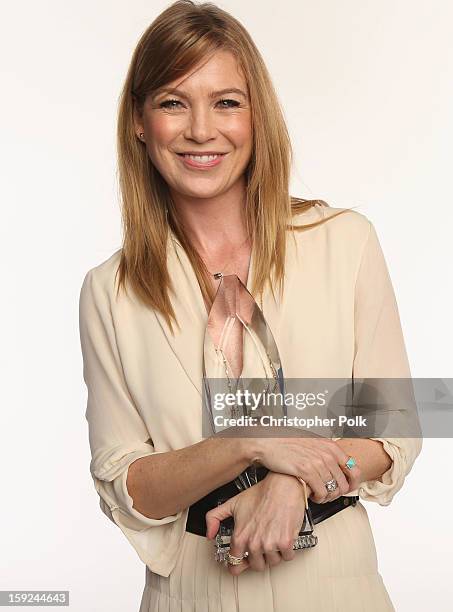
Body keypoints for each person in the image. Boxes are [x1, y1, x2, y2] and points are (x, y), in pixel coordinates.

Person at [78, 1, 422, 610]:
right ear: (139, 121)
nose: (201, 130)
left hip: (335, 589)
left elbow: (393, 428)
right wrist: (249, 442)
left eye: (226, 102)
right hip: (190, 591)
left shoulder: (344, 241)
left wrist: (294, 477)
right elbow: (130, 486)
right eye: (173, 102)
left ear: (256, 114)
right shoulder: (110, 290)